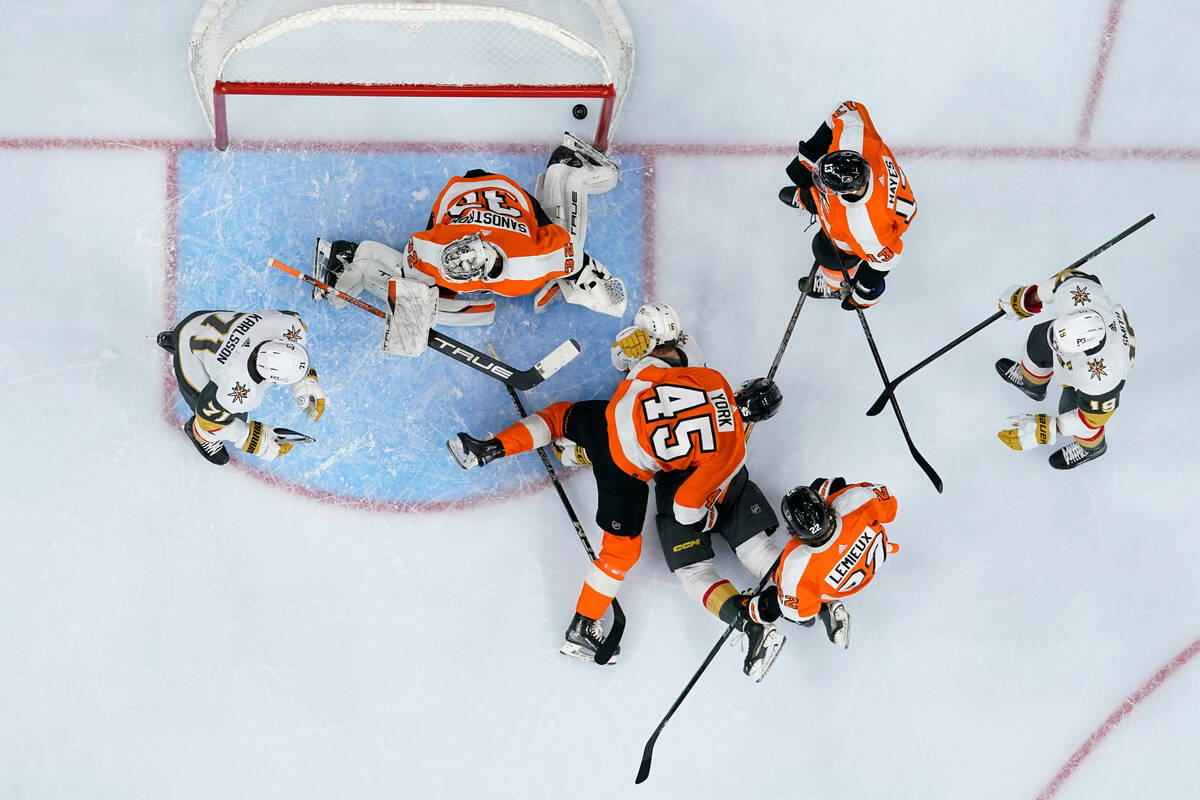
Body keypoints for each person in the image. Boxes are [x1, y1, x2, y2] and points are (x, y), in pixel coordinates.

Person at [447, 302, 786, 678]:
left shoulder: (711, 379)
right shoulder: (732, 450)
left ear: (742, 386)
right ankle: (581, 628)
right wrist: (706, 510)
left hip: (613, 417)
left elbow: (646, 372)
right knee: (620, 553)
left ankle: (489, 447)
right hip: (626, 469)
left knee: (559, 416)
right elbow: (685, 509)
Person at [310, 132, 626, 356]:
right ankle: (351, 258)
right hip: (459, 197)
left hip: (504, 194)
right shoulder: (435, 254)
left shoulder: (530, 266)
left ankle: (567, 167)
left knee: (561, 240)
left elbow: (578, 260)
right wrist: (413, 316)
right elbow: (412, 261)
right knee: (449, 306)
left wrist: (605, 294)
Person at [777, 99, 917, 311]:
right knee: (808, 182)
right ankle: (811, 200)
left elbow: (888, 258)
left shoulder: (864, 227)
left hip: (883, 220)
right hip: (887, 195)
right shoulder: (854, 140)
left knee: (829, 251)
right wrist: (811, 154)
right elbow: (847, 109)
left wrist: (862, 291)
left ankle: (834, 285)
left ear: (848, 191)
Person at [994, 269, 1135, 469]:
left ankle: (1091, 447)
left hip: (1090, 374)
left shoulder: (1103, 380)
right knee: (1037, 344)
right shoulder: (1078, 293)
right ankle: (1032, 385)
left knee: (1070, 409)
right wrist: (1030, 299)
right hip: (1075, 345)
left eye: (1059, 346)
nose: (1054, 344)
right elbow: (1062, 281)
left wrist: (1049, 428)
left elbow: (1092, 419)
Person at [742, 478, 900, 650]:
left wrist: (765, 604)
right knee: (827, 485)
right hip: (875, 558)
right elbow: (890, 502)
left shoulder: (796, 561)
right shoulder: (855, 503)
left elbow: (801, 615)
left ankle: (826, 606)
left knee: (785, 597)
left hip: (834, 590)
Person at [156, 310, 325, 465]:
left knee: (225, 398)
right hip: (190, 346)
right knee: (236, 417)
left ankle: (176, 340)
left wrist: (305, 381)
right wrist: (246, 436)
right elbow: (207, 419)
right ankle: (200, 437)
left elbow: (292, 319)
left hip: (195, 321)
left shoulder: (289, 326)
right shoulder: (238, 390)